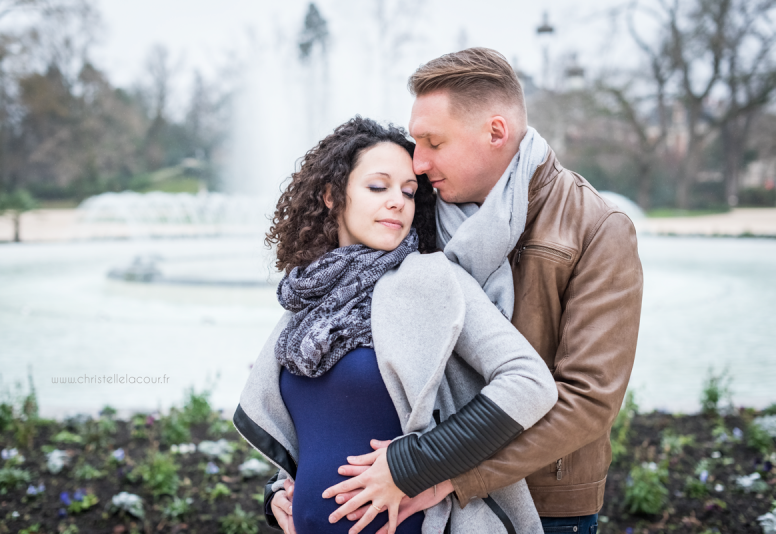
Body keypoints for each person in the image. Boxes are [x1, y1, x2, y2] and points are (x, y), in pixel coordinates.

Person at [319, 49, 645, 534]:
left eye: (433, 142)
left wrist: (449, 471)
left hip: (542, 504)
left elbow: (588, 399)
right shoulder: (412, 211)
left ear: (495, 133)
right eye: (416, 142)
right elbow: (341, 340)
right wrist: (292, 478)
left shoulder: (597, 227)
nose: (419, 161)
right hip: (412, 495)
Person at [233, 117, 558, 534]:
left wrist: (414, 463)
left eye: (408, 191)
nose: (398, 202)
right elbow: (315, 428)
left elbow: (529, 382)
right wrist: (278, 491)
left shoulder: (432, 279)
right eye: (377, 187)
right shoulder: (308, 299)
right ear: (332, 196)